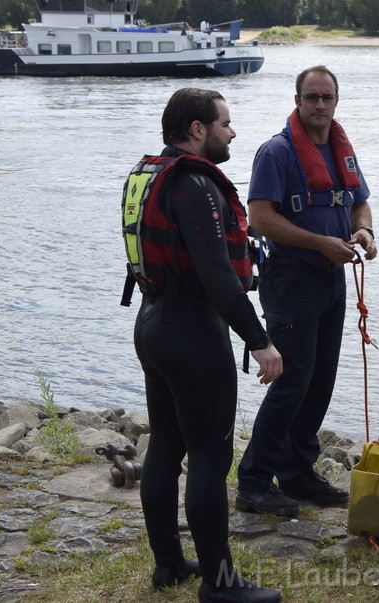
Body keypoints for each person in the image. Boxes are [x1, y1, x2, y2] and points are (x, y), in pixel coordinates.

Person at [130, 88, 284, 603]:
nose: (232, 131)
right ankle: (220, 584)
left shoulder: (151, 173)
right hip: (192, 331)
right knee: (210, 457)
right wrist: (260, 340)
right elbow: (218, 275)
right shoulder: (196, 185)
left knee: (167, 446)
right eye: (225, 122)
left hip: (153, 323)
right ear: (198, 129)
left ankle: (169, 565)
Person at [236, 65, 376, 516]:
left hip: (332, 280)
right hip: (291, 280)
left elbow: (359, 202)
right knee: (292, 381)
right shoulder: (276, 153)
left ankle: (296, 472)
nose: (319, 105)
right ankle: (255, 480)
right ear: (298, 100)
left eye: (327, 98)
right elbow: (259, 217)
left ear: (336, 101)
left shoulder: (341, 149)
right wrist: (321, 244)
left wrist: (365, 232)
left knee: (320, 381)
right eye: (312, 97)